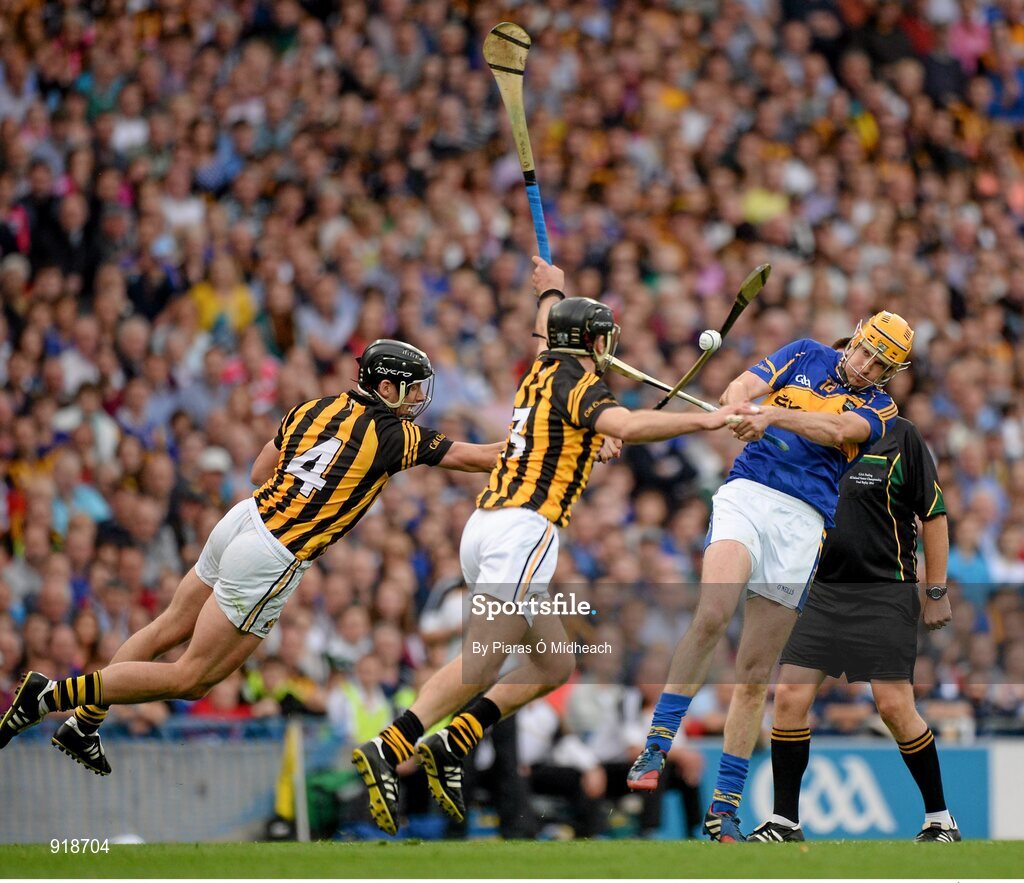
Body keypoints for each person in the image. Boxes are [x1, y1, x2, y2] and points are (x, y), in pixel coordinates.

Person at [353, 257, 756, 836]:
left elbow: (549, 335)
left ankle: (457, 739)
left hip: (488, 527)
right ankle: (390, 748)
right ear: (591, 341)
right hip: (523, 531)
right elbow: (633, 426)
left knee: (553, 661)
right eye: (602, 338)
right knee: (483, 658)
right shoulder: (579, 382)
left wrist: (552, 289)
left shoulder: (543, 369)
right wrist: (708, 422)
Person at [0, 339, 504, 773]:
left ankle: (84, 724)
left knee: (167, 626)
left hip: (244, 519)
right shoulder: (393, 435)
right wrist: (551, 444)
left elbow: (261, 471)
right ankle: (49, 697)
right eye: (413, 389)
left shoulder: (313, 408)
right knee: (192, 678)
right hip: (273, 554)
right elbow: (480, 457)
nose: (418, 400)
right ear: (387, 387)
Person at [627, 312, 913, 842]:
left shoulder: (880, 409)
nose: (868, 365)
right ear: (854, 337)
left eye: (882, 363)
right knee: (713, 612)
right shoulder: (806, 352)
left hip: (803, 523)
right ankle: (658, 741)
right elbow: (747, 382)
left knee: (756, 670)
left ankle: (724, 809)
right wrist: (739, 405)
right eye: (867, 350)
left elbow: (834, 430)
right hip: (748, 494)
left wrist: (772, 419)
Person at [749, 341, 958, 844]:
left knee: (893, 706)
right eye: (855, 358)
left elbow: (933, 515)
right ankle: (784, 822)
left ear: (883, 376)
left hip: (884, 592)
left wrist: (935, 589)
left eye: (875, 364)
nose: (857, 370)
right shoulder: (812, 430)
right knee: (791, 696)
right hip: (822, 590)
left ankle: (940, 820)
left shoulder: (900, 435)